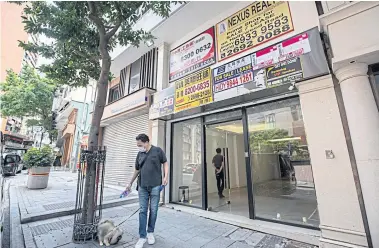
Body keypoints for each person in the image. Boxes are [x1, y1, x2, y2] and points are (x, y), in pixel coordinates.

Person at [125, 134, 168, 248]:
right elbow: (137, 170)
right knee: (143, 211)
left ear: (146, 142)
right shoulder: (140, 154)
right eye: (138, 145)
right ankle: (142, 236)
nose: (139, 147)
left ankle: (150, 232)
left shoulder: (158, 151)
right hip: (142, 186)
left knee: (154, 210)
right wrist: (130, 183)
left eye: (140, 145)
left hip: (155, 186)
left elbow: (165, 163)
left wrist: (165, 177)